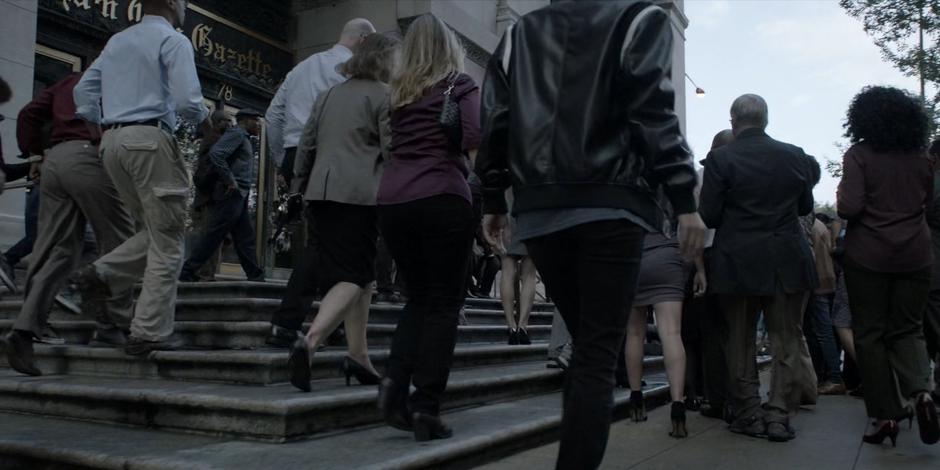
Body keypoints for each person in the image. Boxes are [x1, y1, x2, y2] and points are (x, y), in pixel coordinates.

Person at [477, 2, 703, 468]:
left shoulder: (522, 33)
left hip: (540, 210)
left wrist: (495, 196)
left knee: (588, 346)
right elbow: (652, 111)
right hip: (610, 205)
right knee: (598, 352)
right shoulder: (641, 19)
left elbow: (497, 114)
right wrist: (684, 198)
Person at [71, 0, 210, 356]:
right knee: (168, 239)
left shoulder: (118, 40)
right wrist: (201, 117)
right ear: (170, 5)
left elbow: (83, 91)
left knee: (152, 230)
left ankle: (102, 274)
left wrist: (99, 121)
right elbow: (186, 100)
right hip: (150, 139)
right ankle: (149, 331)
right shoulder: (174, 40)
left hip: (113, 142)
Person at [375, 14, 481, 443]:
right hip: (441, 196)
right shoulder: (460, 84)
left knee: (417, 299)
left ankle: (393, 385)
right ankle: (426, 407)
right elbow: (474, 135)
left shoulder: (397, 94)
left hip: (394, 201)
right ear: (449, 46)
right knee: (443, 305)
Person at [699, 94, 818, 442]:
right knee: (786, 338)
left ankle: (749, 411)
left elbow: (709, 215)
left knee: (739, 338)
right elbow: (804, 207)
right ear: (766, 120)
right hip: (786, 257)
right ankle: (779, 412)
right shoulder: (794, 155)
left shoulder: (721, 159)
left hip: (738, 259)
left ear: (733, 121)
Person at [1, 72, 135, 376]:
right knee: (120, 242)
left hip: (55, 160)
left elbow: (27, 114)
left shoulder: (68, 81)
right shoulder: (118, 76)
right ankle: (112, 322)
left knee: (57, 250)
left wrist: (35, 153)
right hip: (90, 155)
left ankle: (24, 329)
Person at [286, 33, 398, 392]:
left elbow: (306, 145)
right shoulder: (384, 95)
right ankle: (311, 340)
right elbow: (393, 149)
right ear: (384, 60)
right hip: (359, 196)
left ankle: (358, 354)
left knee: (359, 277)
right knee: (356, 273)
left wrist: (297, 188)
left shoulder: (329, 93)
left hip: (321, 193)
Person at [265, 18, 376, 348]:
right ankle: (293, 322)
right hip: (330, 158)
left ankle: (331, 321)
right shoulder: (348, 72)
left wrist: (283, 160)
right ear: (364, 40)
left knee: (327, 240)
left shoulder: (301, 68)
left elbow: (273, 116)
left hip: (294, 154)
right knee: (327, 243)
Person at [837, 85, 939, 447]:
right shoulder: (921, 157)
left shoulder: (859, 155)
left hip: (869, 256)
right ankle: (922, 392)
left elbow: (849, 207)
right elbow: (928, 201)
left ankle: (885, 416)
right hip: (916, 254)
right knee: (909, 329)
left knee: (871, 333)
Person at [624, 195, 707, 438]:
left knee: (634, 333)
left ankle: (636, 399)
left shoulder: (627, 176)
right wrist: (700, 270)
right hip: (668, 257)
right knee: (671, 333)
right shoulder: (672, 181)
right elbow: (691, 229)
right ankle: (678, 407)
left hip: (633, 258)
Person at [180, 108, 265, 282]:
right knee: (214, 234)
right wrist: (230, 180)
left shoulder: (244, 137)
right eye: (256, 120)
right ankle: (187, 270)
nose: (259, 125)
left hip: (239, 195)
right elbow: (217, 154)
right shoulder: (237, 135)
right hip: (231, 194)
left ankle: (255, 275)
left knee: (244, 237)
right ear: (245, 120)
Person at [187, 109, 233, 282]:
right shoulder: (214, 141)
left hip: (216, 198)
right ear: (218, 123)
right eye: (227, 121)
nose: (231, 124)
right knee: (211, 237)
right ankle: (203, 272)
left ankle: (202, 270)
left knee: (220, 238)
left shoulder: (217, 141)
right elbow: (210, 172)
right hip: (211, 199)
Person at [810, 213, 844, 395]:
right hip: (825, 281)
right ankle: (827, 374)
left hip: (817, 283)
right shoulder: (820, 226)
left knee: (822, 332)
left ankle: (833, 376)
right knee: (823, 331)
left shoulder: (812, 227)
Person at [499, 213, 538, 345]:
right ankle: (523, 327)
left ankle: (511, 327)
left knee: (507, 271)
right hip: (532, 213)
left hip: (508, 212)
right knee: (529, 275)